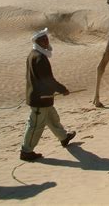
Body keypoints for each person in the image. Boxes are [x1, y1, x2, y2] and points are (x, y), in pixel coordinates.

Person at [20, 28, 76, 162]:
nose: (46, 42)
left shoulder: (34, 54)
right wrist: (62, 89)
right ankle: (26, 151)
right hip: (40, 99)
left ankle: (63, 137)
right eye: (43, 40)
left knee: (52, 118)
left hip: (44, 98)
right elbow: (48, 81)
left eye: (46, 39)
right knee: (35, 126)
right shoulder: (39, 58)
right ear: (38, 42)